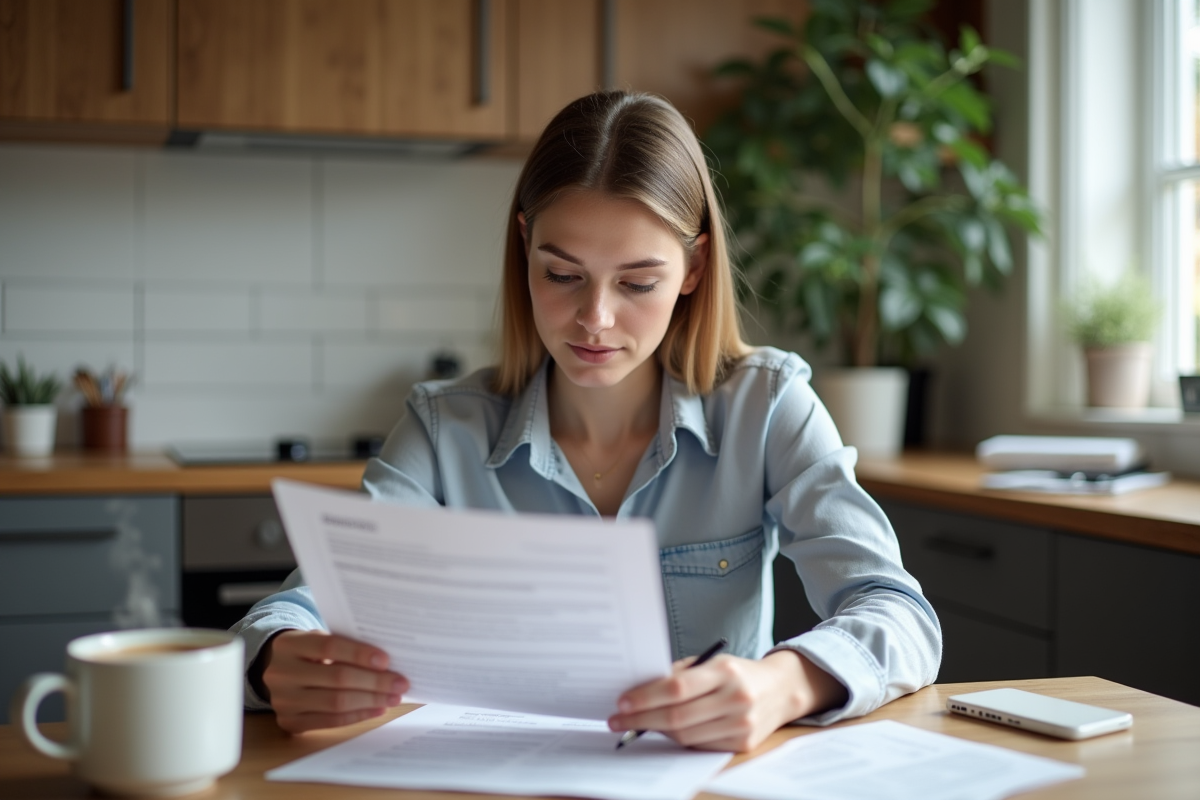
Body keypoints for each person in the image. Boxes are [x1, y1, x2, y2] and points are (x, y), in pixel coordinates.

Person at [231, 90, 941, 752]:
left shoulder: (768, 406)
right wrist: (275, 661)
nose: (595, 320)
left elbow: (898, 614)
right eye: (562, 275)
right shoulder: (443, 428)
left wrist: (784, 683)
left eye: (637, 283)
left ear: (693, 267)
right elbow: (299, 608)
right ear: (523, 248)